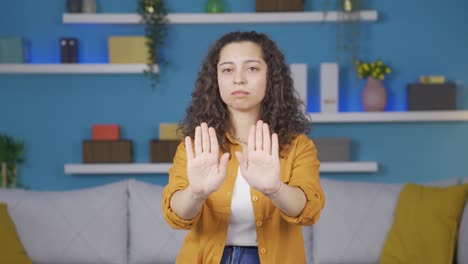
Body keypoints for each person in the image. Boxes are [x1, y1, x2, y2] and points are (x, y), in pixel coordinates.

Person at [162, 31, 325, 264]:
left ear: (271, 77)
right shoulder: (197, 146)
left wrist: (275, 188)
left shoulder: (298, 146)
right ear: (215, 79)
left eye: (252, 68)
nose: (239, 79)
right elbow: (176, 216)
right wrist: (196, 193)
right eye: (227, 69)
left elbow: (308, 210)